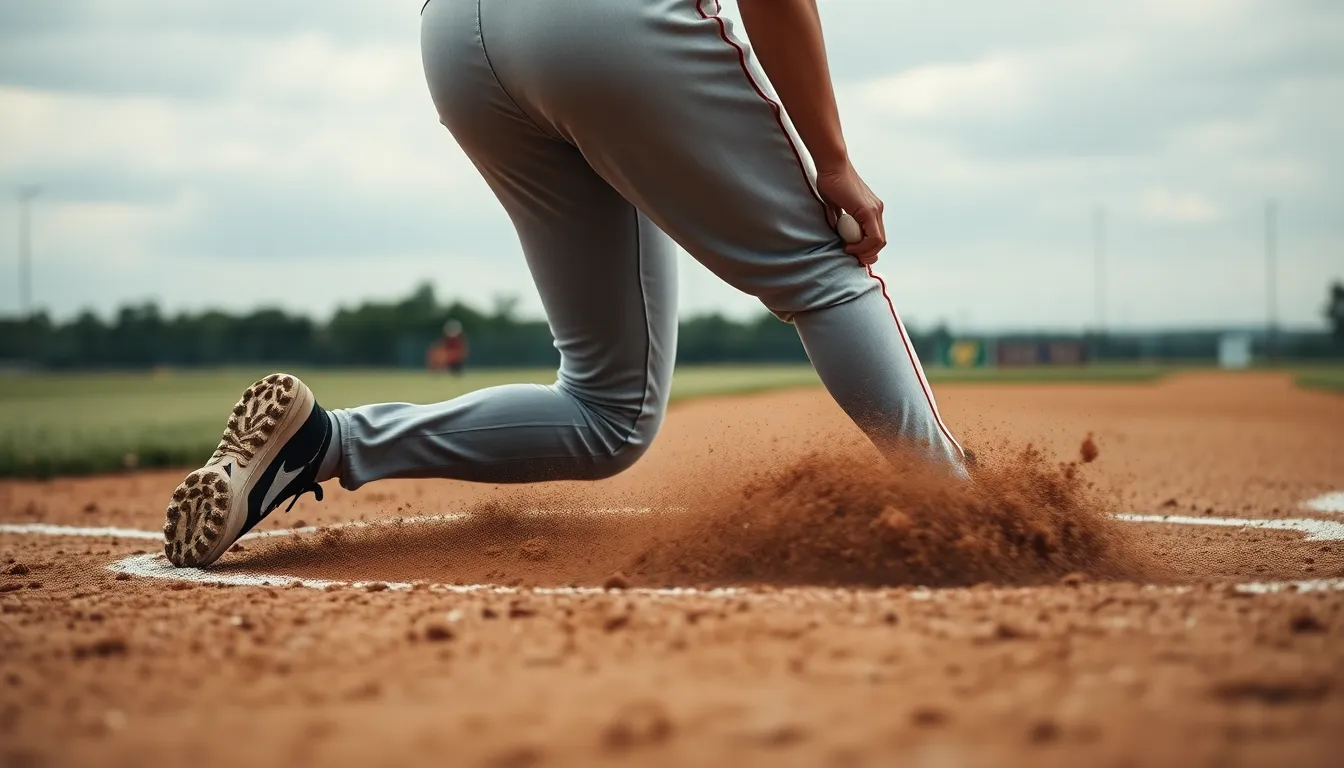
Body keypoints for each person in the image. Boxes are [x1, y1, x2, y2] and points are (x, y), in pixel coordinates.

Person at [161, 0, 967, 568]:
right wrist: (831, 159)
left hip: (455, 39)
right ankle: (961, 508)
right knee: (827, 272)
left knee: (609, 414)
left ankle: (323, 443)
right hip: (604, 27)